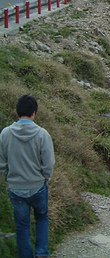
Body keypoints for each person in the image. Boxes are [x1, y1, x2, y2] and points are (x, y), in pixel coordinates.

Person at [0, 95, 55, 258]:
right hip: (38, 186)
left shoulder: (5, 134)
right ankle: (41, 254)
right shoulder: (42, 134)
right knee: (42, 219)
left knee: (22, 226)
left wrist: (8, 178)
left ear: (18, 112)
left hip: (16, 189)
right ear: (34, 112)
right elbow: (48, 164)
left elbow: (2, 163)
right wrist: (46, 178)